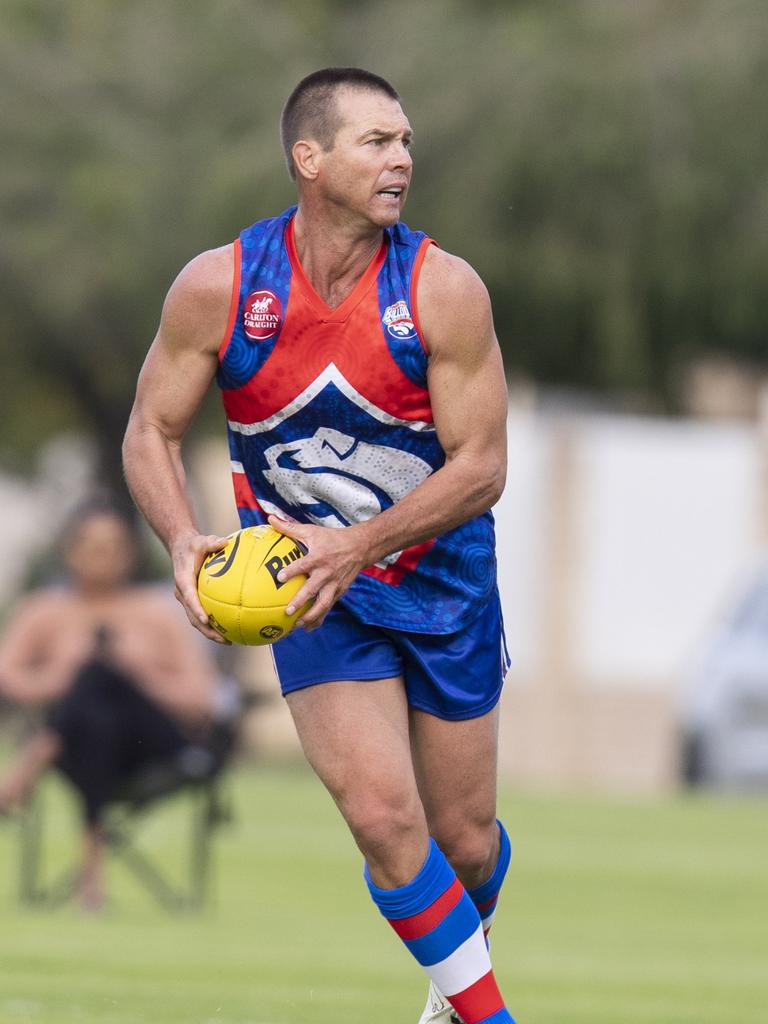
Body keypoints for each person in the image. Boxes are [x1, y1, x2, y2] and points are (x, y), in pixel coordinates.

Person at [122, 67, 514, 1024]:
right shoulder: (218, 286)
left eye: (406, 142)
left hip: (442, 581)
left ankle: (450, 981)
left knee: (462, 845)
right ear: (309, 158)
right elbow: (149, 430)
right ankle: (489, 1016)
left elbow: (483, 467)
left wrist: (362, 543)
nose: (402, 159)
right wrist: (181, 539)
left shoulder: (443, 289)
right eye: (376, 141)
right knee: (385, 819)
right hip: (303, 588)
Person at [0, 498, 222, 909]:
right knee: (94, 702)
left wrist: (139, 672)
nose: (104, 559)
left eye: (114, 547)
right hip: (82, 743)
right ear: (70, 550)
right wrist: (61, 676)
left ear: (131, 553)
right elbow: (8, 677)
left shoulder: (158, 612)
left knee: (105, 672)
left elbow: (201, 699)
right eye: (93, 547)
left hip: (152, 748)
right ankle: (91, 884)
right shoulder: (44, 610)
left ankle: (31, 763)